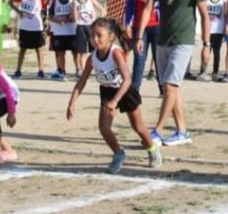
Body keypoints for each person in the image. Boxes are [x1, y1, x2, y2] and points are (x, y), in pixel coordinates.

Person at [133, 0, 210, 147]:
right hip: (162, 41)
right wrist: (139, 36)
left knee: (169, 87)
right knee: (173, 89)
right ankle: (182, 131)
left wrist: (206, 43)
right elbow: (147, 9)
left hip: (183, 41)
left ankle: (157, 131)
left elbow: (204, 15)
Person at [68, 18, 160, 173]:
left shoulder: (115, 53)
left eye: (99, 35)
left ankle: (152, 148)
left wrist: (116, 100)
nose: (95, 39)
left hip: (125, 90)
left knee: (138, 126)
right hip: (107, 92)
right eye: (92, 36)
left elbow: (128, 79)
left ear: (110, 36)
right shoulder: (92, 58)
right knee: (104, 128)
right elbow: (81, 81)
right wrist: (72, 102)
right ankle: (118, 153)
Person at [124, 0, 161, 91]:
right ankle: (135, 89)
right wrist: (127, 24)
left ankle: (163, 88)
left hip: (157, 25)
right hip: (139, 27)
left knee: (159, 58)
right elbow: (130, 5)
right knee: (139, 57)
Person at [10, 0, 48, 79]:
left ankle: (41, 70)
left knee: (39, 49)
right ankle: (18, 70)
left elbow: (47, 8)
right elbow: (10, 2)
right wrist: (19, 12)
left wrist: (46, 23)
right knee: (22, 49)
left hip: (37, 28)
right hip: (25, 27)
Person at [72, 0, 105, 78]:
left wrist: (99, 21)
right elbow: (75, 18)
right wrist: (74, 7)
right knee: (82, 52)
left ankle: (99, 70)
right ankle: (83, 72)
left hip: (91, 27)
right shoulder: (75, 2)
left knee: (96, 50)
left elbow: (103, 10)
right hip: (80, 27)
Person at [47, 0, 77, 81]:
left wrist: (67, 19)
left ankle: (78, 71)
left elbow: (75, 16)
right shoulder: (54, 1)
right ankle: (62, 72)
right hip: (58, 32)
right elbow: (50, 16)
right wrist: (58, 20)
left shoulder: (72, 1)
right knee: (60, 53)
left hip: (71, 31)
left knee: (75, 52)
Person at [197, 0, 225, 82]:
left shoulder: (223, 3)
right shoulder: (206, 1)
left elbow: (225, 17)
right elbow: (202, 17)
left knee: (217, 52)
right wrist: (203, 31)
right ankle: (203, 71)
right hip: (208, 31)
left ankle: (215, 72)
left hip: (218, 31)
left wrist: (224, 30)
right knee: (206, 50)